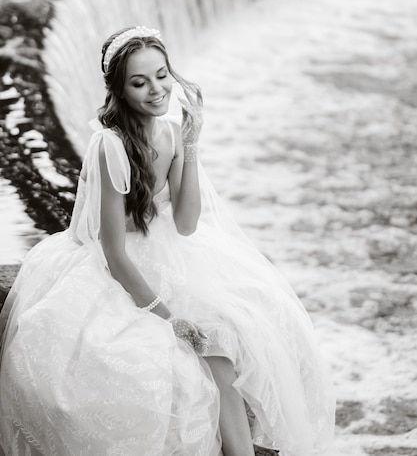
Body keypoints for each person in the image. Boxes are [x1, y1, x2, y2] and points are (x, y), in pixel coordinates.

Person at [0, 26, 335, 456]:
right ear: (119, 90)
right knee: (173, 354)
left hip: (166, 250)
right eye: (140, 83)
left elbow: (187, 222)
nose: (156, 89)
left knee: (231, 337)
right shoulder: (110, 146)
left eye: (162, 75)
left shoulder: (172, 133)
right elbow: (113, 253)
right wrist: (165, 315)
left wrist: (191, 143)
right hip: (116, 269)